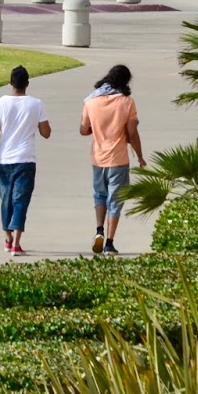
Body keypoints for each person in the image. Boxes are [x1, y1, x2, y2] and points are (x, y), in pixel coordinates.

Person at [79, 64, 146, 256]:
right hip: (118, 158)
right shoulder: (127, 102)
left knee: (100, 195)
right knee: (115, 200)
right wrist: (140, 156)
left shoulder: (91, 101)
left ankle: (99, 230)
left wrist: (97, 128)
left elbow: (84, 130)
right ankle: (109, 242)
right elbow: (132, 133)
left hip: (98, 157)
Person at [0, 65, 52, 256]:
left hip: (4, 159)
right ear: (27, 84)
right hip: (26, 158)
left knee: (6, 199)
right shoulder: (36, 104)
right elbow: (46, 133)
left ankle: (8, 238)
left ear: (10, 83)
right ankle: (16, 242)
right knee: (20, 200)